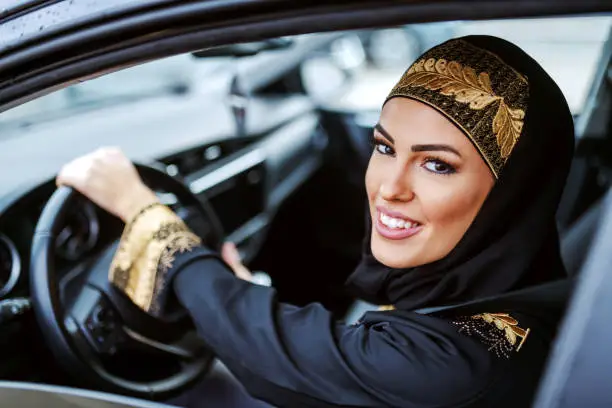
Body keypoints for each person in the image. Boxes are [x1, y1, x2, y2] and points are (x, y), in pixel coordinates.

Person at [56, 35, 575, 407]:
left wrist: (142, 214)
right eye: (385, 147)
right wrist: (235, 288)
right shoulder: (508, 296)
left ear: (510, 194)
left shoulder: (455, 370)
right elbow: (309, 361)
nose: (389, 188)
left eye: (437, 164)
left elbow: (295, 359)